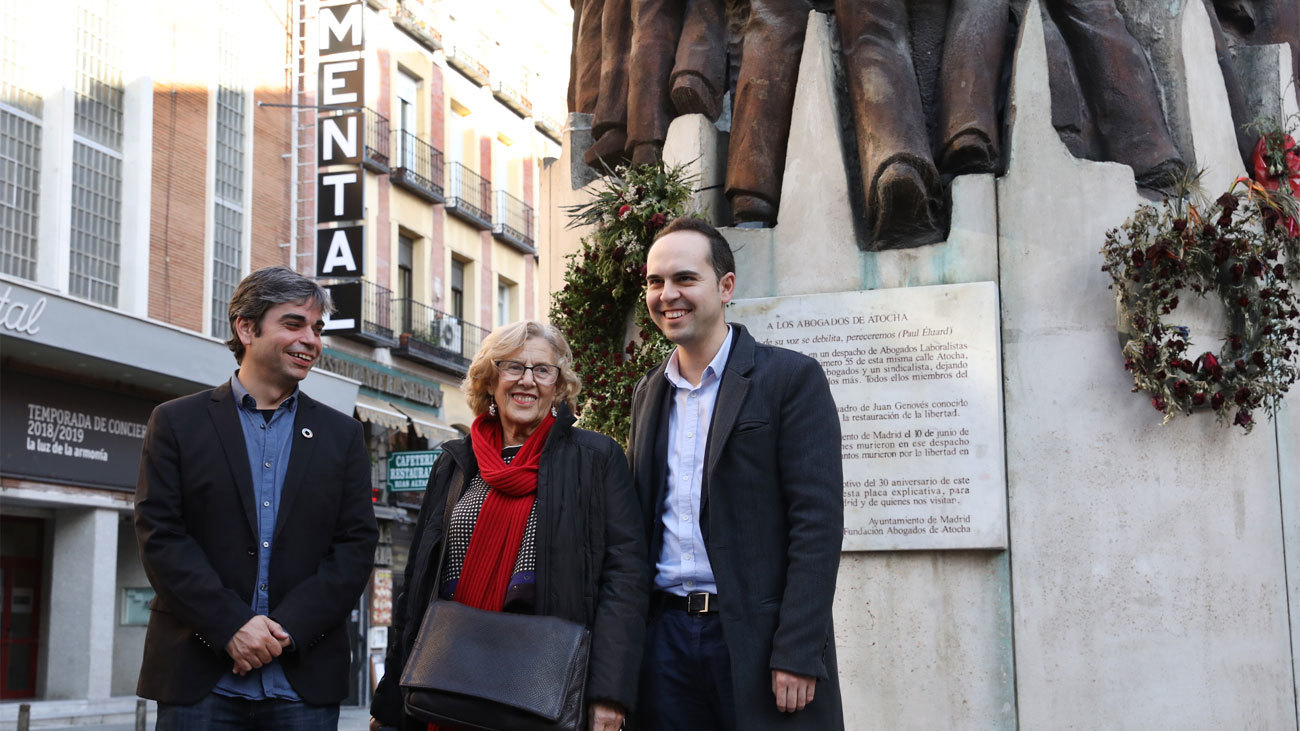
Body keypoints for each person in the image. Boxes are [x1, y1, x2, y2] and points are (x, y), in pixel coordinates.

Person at [370, 320, 648, 731]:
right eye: (512, 367)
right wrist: (390, 698)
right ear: (489, 380)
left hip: (544, 687)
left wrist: (609, 693)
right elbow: (417, 584)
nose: (527, 381)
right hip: (449, 677)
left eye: (542, 370)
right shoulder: (455, 463)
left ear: (559, 384)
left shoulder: (595, 459)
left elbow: (625, 579)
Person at [134, 266, 379, 729]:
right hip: (198, 679)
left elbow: (354, 549)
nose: (311, 340)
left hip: (301, 683)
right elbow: (161, 538)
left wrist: (284, 633)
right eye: (294, 324)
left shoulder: (341, 434)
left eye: (317, 329)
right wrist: (231, 627)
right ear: (246, 328)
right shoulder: (176, 423)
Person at [628, 217, 845, 730]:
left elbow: (817, 524)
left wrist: (797, 649)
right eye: (655, 282)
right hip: (665, 643)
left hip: (756, 639)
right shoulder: (648, 392)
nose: (667, 295)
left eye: (684, 278)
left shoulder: (790, 379)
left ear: (725, 286)